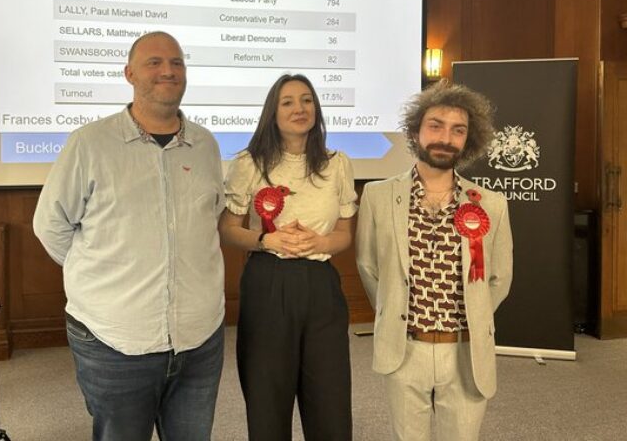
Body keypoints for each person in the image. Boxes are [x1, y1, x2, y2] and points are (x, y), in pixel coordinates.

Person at [33, 31, 225, 441]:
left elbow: (213, 217)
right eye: (154, 62)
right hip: (114, 341)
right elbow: (50, 226)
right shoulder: (89, 143)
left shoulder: (206, 145)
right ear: (129, 73)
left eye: (177, 63)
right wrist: (101, 275)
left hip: (198, 339)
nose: (168, 70)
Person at [356, 79, 513, 441]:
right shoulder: (379, 197)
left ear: (468, 140)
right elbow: (368, 267)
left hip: (465, 353)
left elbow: (500, 278)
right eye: (436, 126)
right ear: (415, 131)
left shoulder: (490, 204)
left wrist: (473, 313)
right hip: (404, 349)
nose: (446, 138)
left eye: (458, 130)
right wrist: (394, 311)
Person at [218, 73, 357, 441]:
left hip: (320, 287)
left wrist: (320, 242)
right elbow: (229, 229)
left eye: (307, 100)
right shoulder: (249, 163)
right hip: (268, 281)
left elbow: (345, 235)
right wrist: (268, 239)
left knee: (330, 403)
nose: (300, 108)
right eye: (289, 102)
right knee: (268, 402)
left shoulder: (337, 163)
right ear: (273, 112)